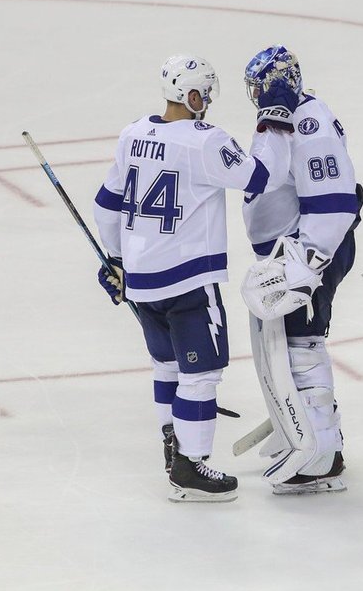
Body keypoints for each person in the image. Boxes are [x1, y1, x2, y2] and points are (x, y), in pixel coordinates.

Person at [92, 54, 294, 502]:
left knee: (166, 366)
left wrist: (114, 261)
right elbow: (262, 177)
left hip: (142, 281)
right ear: (195, 95)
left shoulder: (133, 134)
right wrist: (275, 122)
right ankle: (191, 465)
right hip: (187, 280)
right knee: (201, 375)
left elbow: (105, 205)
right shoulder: (204, 141)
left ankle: (173, 445)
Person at [238, 44, 363, 495]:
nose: (255, 95)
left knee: (302, 349)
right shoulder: (284, 116)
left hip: (307, 257)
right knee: (284, 348)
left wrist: (308, 264)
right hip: (290, 256)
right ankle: (304, 433)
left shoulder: (309, 122)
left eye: (260, 86)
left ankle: (321, 459)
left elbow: (333, 201)